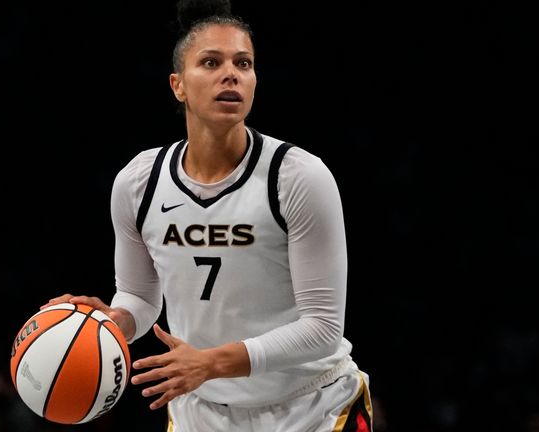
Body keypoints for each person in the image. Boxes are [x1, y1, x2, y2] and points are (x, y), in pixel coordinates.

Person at [41, 0, 373, 430]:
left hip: (313, 406)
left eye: (244, 63)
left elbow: (323, 327)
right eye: (211, 62)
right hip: (202, 411)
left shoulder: (298, 177)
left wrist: (210, 363)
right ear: (178, 85)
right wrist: (108, 323)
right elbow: (141, 299)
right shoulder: (139, 182)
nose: (231, 74)